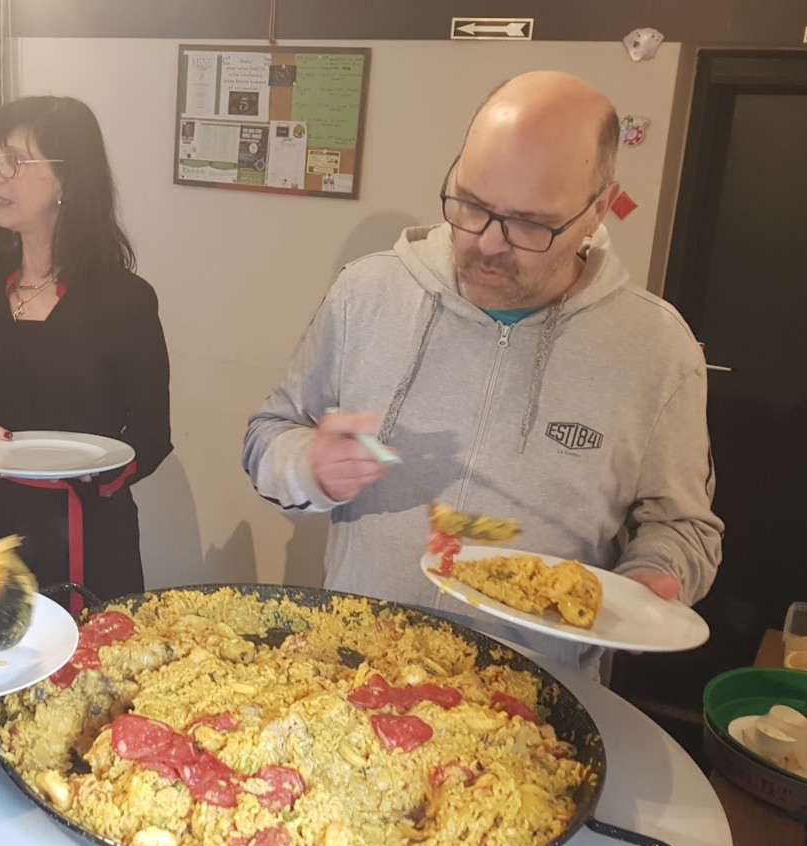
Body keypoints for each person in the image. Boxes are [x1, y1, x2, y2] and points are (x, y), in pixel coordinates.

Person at [242, 71, 723, 676]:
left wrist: (654, 576)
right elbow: (268, 434)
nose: (487, 244)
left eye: (529, 224)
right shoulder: (367, 293)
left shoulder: (656, 348)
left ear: (598, 209)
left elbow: (683, 525)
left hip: (532, 693)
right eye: (470, 205)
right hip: (356, 673)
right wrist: (306, 464)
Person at [0, 95, 171, 605]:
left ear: (67, 180)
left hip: (83, 533)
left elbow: (153, 436)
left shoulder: (125, 300)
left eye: (15, 161)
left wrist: (92, 477)